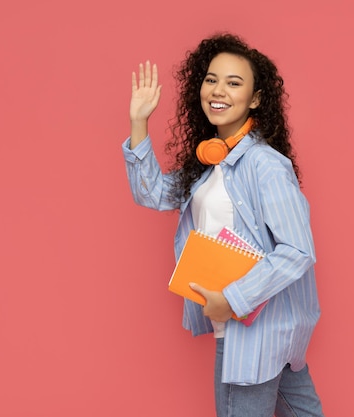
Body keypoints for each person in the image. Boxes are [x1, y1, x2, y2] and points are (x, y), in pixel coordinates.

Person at [123, 33, 325, 417]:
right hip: (269, 335)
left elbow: (298, 251)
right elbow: (152, 194)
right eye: (212, 79)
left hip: (252, 334)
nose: (218, 90)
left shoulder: (264, 165)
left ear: (255, 99)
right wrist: (138, 123)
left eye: (234, 83)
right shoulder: (210, 165)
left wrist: (231, 301)